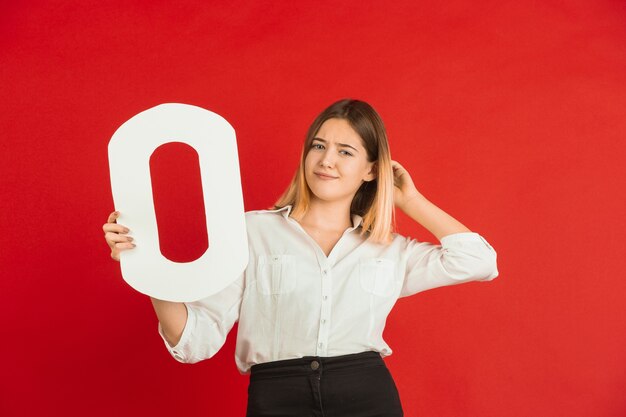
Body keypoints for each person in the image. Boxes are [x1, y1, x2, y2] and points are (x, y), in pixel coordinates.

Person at [103, 98, 499, 417]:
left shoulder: (389, 249)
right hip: (277, 397)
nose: (327, 160)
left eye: (346, 151)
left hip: (366, 395)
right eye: (319, 146)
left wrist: (409, 199)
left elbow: (479, 260)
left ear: (371, 170)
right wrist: (147, 268)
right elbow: (195, 342)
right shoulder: (251, 232)